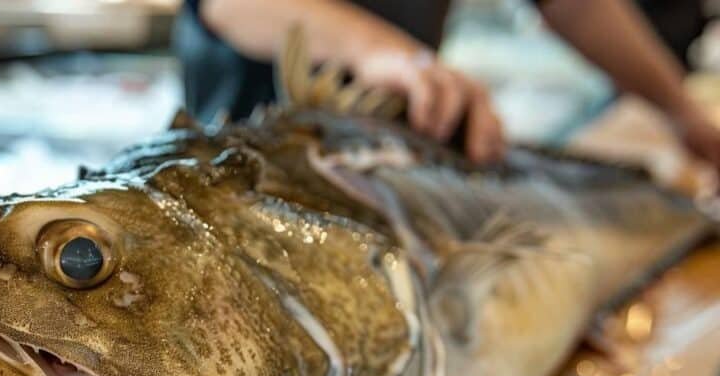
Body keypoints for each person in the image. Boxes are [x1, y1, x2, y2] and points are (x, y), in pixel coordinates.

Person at [175, 0, 720, 169]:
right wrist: (378, 51)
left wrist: (683, 113)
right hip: (242, 165)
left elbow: (573, 3)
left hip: (397, 159)